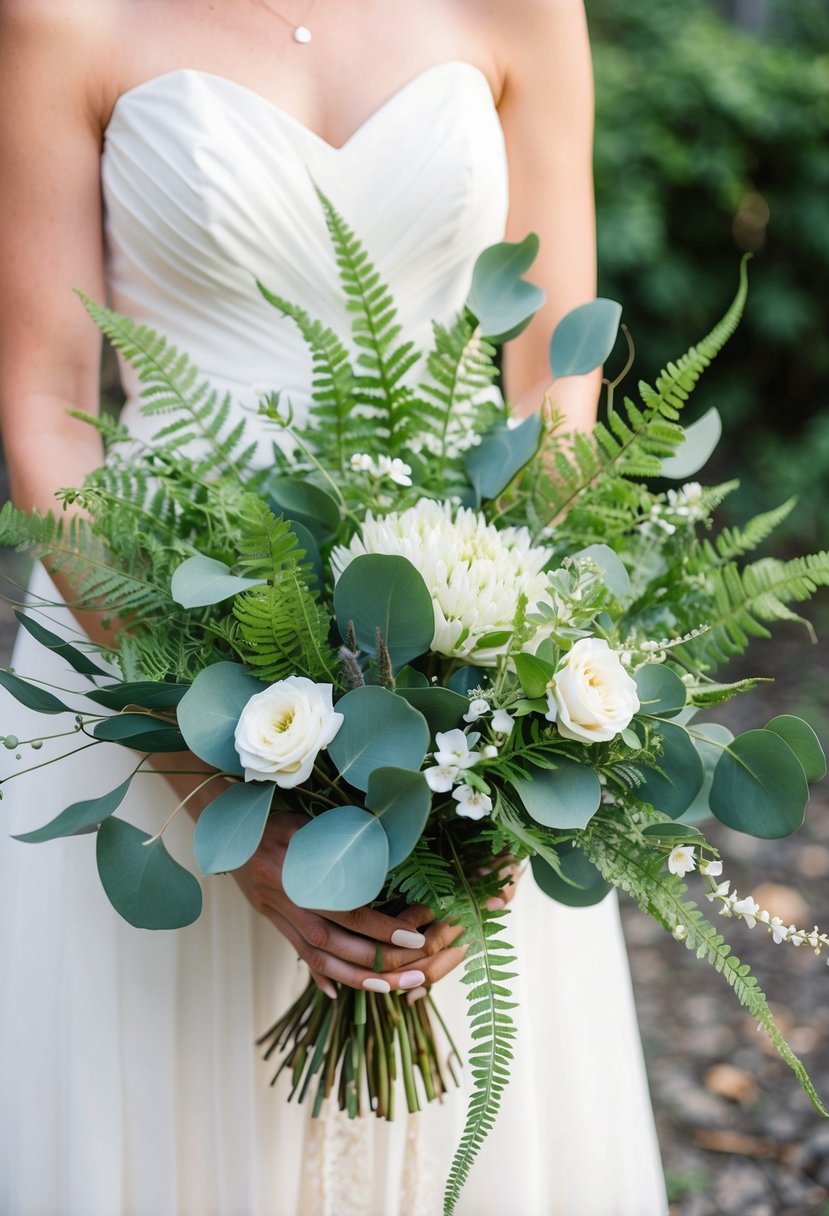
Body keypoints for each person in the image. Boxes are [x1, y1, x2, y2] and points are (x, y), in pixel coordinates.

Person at [0, 1, 668, 1212]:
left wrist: (497, 725)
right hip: (155, 625)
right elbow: (50, 408)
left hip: (463, 625)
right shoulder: (61, 17)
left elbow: (554, 391)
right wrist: (209, 782)